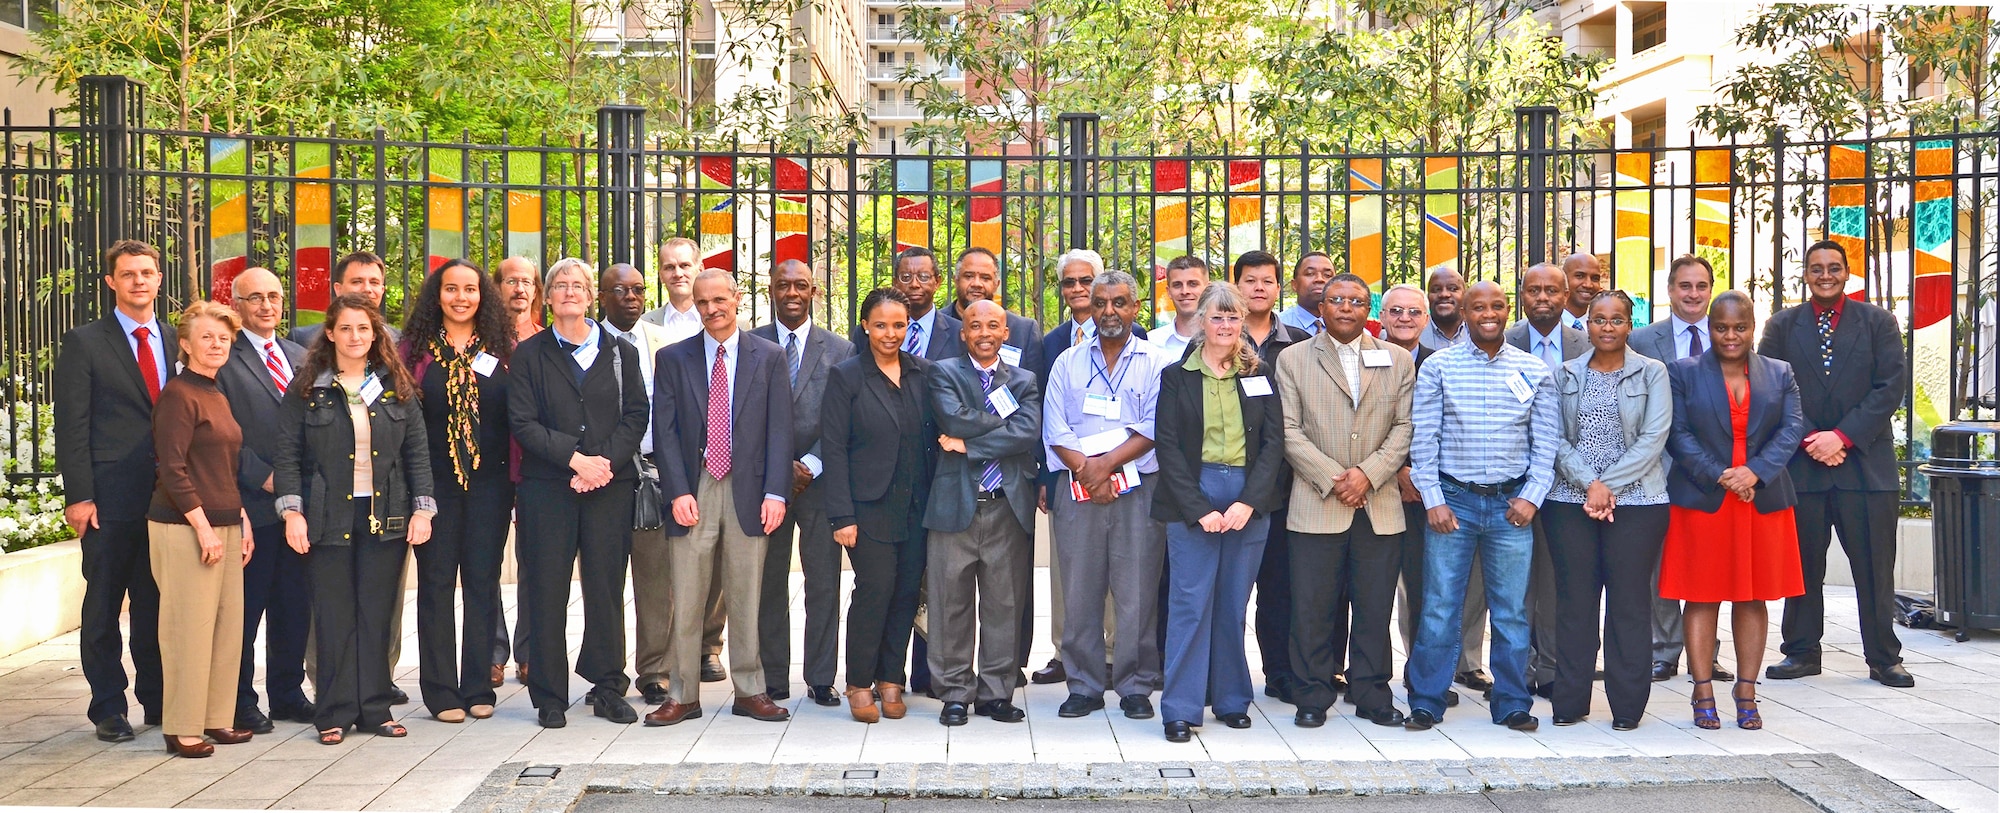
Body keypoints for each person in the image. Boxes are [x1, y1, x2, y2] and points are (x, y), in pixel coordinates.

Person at [274, 295, 435, 744]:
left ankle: (375, 710)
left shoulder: (393, 385)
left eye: (364, 329)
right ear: (330, 333)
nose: (355, 337)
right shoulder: (307, 388)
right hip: (327, 516)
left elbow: (417, 453)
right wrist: (292, 513)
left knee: (376, 616)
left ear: (375, 334)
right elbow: (287, 453)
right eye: (345, 328)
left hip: (386, 515)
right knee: (332, 615)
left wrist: (423, 509)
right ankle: (333, 712)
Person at [1758, 241, 1913, 688]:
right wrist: (1812, 437)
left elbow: (1890, 385)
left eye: (1834, 267)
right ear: (1805, 275)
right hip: (1803, 467)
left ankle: (1884, 657)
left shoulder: (1878, 322)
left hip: (1865, 468)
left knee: (1874, 568)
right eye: (1816, 268)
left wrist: (1842, 437)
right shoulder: (1783, 325)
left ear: (1847, 273)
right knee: (1803, 567)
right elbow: (1770, 386)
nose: (1825, 274)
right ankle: (1802, 652)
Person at [1404, 281, 1557, 733]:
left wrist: (1532, 496)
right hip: (1453, 503)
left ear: (1508, 311)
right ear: (1464, 313)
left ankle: (1511, 701)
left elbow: (1544, 443)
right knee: (1438, 606)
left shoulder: (1534, 370)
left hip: (1511, 506)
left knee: (1510, 610)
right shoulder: (1438, 367)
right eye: (1478, 307)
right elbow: (1424, 438)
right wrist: (1432, 499)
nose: (1488, 314)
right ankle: (1427, 699)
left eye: (1496, 306)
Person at [505, 258, 649, 729]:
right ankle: (549, 694)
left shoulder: (619, 352)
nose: (570, 291)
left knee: (607, 588)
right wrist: (575, 460)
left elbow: (636, 415)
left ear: (591, 297)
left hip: (610, 487)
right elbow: (523, 422)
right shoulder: (530, 355)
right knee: (546, 588)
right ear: (548, 298)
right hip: (549, 488)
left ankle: (607, 685)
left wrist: (603, 464)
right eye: (560, 285)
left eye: (578, 285)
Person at [646, 268, 794, 726]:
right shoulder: (673, 358)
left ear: (737, 299)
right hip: (696, 486)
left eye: (719, 299)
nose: (711, 308)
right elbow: (665, 432)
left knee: (747, 593)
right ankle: (683, 694)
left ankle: (750, 690)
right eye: (702, 301)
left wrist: (776, 492)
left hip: (751, 490)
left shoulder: (768, 356)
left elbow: (780, 429)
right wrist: (677, 491)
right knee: (687, 596)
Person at [1663, 290, 1807, 730]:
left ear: (1752, 327)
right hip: (1705, 500)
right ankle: (1702, 687)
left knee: (1752, 596)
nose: (1730, 335)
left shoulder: (1780, 372)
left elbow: (1792, 427)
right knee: (1701, 595)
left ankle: (1746, 688)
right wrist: (1722, 474)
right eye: (1721, 327)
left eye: (1739, 327)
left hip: (1760, 500)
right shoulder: (1682, 373)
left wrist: (1755, 473)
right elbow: (1678, 433)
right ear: (1710, 328)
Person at [1279, 273, 1415, 730]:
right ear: (1322, 307)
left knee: (1375, 605)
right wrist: (1335, 479)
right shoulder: (1293, 359)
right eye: (1336, 299)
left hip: (1379, 505)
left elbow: (1404, 427)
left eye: (1356, 301)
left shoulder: (1395, 359)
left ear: (1367, 310)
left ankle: (1372, 692)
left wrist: (1368, 475)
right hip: (1317, 502)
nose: (1345, 307)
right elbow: (1288, 430)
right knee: (1313, 606)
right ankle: (1312, 693)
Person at [1153, 282, 1287, 742]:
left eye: (1234, 317)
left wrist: (1249, 501)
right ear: (1200, 322)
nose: (1226, 325)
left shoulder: (1259, 373)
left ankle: (1232, 700)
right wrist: (1198, 510)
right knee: (1190, 604)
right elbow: (1167, 448)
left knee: (1233, 603)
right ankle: (1180, 708)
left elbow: (1274, 444)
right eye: (1217, 317)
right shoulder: (1177, 375)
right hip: (1194, 492)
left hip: (1248, 497)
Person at [56, 240, 174, 743]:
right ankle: (107, 705)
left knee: (155, 603)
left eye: (146, 273)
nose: (138, 281)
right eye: (127, 274)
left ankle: (158, 699)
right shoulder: (85, 342)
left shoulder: (174, 337)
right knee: (104, 604)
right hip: (108, 498)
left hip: (164, 498)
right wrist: (80, 495)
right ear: (112, 282)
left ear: (158, 279)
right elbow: (71, 425)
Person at [1043, 270, 1172, 721]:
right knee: (1080, 588)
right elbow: (1054, 426)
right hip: (1078, 488)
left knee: (1136, 589)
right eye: (1100, 303)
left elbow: (1156, 425)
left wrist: (1106, 465)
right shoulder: (1068, 362)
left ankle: (1135, 685)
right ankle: (1083, 685)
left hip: (1139, 487)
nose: (1109, 312)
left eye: (1119, 302)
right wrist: (1087, 470)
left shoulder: (1156, 361)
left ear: (1136, 308)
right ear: (1089, 309)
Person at [1543, 291, 1671, 730]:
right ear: (1588, 324)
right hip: (1569, 502)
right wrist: (1588, 485)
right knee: (1575, 603)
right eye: (1599, 319)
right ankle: (1571, 701)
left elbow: (1654, 438)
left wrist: (1606, 486)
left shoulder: (1652, 373)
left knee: (1629, 603)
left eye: (1617, 319)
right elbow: (1553, 437)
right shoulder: (1565, 373)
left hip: (1638, 504)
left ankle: (1628, 706)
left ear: (1629, 325)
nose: (1608, 327)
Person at [400, 259, 516, 723]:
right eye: (451, 289)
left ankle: (476, 685)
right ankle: (441, 690)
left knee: (484, 585)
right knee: (437, 585)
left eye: (471, 289)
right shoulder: (414, 352)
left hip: (491, 484)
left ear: (483, 296)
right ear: (437, 295)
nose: (461, 297)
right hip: (434, 486)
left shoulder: (504, 349)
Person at [820, 288, 939, 723]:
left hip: (916, 506)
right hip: (866, 509)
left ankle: (892, 678)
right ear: (866, 326)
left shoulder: (923, 373)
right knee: (875, 591)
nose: (891, 333)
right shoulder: (846, 376)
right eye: (882, 325)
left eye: (900, 325)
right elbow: (832, 448)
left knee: (907, 594)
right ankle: (858, 682)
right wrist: (842, 516)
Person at [925, 299, 1042, 726]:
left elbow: (1028, 431)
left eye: (994, 325)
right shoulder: (943, 372)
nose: (985, 332)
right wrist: (1002, 432)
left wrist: (969, 445)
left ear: (1006, 333)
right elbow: (952, 418)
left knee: (1003, 605)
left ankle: (996, 692)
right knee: (949, 603)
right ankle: (955, 692)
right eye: (976, 325)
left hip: (1006, 507)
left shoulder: (1025, 379)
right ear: (963, 332)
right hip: (954, 505)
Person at [150, 300, 256, 758]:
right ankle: (182, 726)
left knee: (225, 629)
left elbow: (226, 467)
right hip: (185, 528)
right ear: (187, 344)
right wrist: (204, 527)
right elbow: (172, 469)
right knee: (188, 630)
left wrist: (242, 520)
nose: (217, 345)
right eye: (207, 337)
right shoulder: (178, 394)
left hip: (226, 524)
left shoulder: (216, 392)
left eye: (224, 338)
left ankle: (216, 718)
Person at [750, 260, 854, 708]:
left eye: (801, 286)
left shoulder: (841, 348)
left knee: (823, 583)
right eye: (783, 285)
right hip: (765, 485)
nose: (791, 292)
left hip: (820, 481)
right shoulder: (750, 343)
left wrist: (810, 463)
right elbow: (741, 416)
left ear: (814, 291)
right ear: (771, 289)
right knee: (768, 583)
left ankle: (820, 677)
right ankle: (772, 678)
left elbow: (845, 419)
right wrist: (777, 467)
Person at [215, 268, 313, 734]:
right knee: (246, 609)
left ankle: (288, 692)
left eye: (273, 296)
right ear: (237, 304)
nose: (266, 306)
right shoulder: (223, 359)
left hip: (300, 506)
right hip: (251, 502)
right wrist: (265, 477)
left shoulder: (299, 355)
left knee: (294, 604)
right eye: (254, 298)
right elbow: (218, 433)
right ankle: (239, 700)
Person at [1627, 254, 1733, 683]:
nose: (1693, 294)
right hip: (1657, 467)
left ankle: (1706, 654)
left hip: (1713, 471)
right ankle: (1665, 648)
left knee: (1709, 564)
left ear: (1710, 290)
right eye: (1684, 286)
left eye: (1701, 286)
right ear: (1670, 291)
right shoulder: (1641, 338)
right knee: (1659, 564)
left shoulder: (1730, 337)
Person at [598, 262, 689, 707]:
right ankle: (605, 670)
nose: (631, 298)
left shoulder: (664, 343)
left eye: (638, 290)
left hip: (653, 474)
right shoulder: (589, 344)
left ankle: (655, 670)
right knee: (604, 580)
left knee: (656, 581)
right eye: (620, 290)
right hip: (603, 476)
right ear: (602, 297)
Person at [1376, 285, 1464, 708]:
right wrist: (1395, 471)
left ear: (1427, 319)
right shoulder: (1367, 358)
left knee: (1429, 592)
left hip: (1428, 496)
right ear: (1384, 316)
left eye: (1414, 311)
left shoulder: (1443, 364)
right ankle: (1367, 675)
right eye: (1397, 311)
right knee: (1372, 590)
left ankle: (1425, 677)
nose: (1405, 318)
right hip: (1376, 490)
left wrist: (1423, 477)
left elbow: (1452, 428)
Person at [1232, 251, 1311, 704]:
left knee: (1280, 588)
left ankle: (1279, 672)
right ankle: (1224, 673)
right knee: (1229, 590)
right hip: (1229, 484)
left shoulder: (1300, 341)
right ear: (1237, 285)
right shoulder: (1219, 336)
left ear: (1279, 287)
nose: (1259, 287)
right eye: (1250, 280)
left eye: (1267, 281)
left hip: (1286, 484)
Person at [1505, 262, 1587, 700]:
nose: (1543, 298)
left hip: (1570, 485)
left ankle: (1552, 669)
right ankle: (1515, 671)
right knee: (1517, 586)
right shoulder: (1503, 338)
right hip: (1515, 484)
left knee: (1557, 584)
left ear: (1566, 293)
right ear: (1522, 294)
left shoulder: (1587, 343)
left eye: (1551, 291)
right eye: (1533, 290)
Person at [489, 256, 540, 686]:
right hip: (487, 465)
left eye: (526, 281)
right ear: (497, 288)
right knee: (485, 561)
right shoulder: (481, 343)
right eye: (511, 281)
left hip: (534, 466)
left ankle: (529, 652)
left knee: (534, 561)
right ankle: (492, 652)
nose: (519, 288)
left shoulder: (546, 341)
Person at [942, 247, 1045, 374]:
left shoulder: (1024, 331)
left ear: (996, 284)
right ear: (956, 280)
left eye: (985, 278)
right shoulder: (936, 325)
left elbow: (1036, 387)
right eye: (969, 276)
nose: (977, 284)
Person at [289, 251, 392, 348]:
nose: (367, 289)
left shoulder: (400, 341)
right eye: (357, 282)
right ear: (338, 289)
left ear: (382, 290)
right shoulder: (302, 340)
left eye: (374, 282)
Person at [643, 237, 706, 343]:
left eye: (685, 265)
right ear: (661, 275)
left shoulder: (716, 319)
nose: (678, 274)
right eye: (670, 267)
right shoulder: (644, 324)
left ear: (700, 270)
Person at [1151, 255, 1211, 358]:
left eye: (1192, 284)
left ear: (1208, 289)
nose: (1185, 291)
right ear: (1169, 292)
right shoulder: (1152, 342)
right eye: (1177, 285)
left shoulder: (1223, 339)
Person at [1278, 252, 1333, 336]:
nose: (1319, 279)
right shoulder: (1279, 325)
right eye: (1310, 274)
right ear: (1294, 284)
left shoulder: (1348, 325)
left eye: (1327, 275)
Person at [1418, 268, 1468, 352]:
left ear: (1465, 295)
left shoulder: (1478, 330)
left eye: (1452, 288)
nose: (1444, 294)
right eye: (1437, 289)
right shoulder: (1415, 331)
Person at [1558, 253, 1607, 333]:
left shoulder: (1605, 329)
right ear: (1563, 279)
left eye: (1595, 278)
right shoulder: (1547, 326)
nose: (1588, 285)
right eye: (1580, 276)